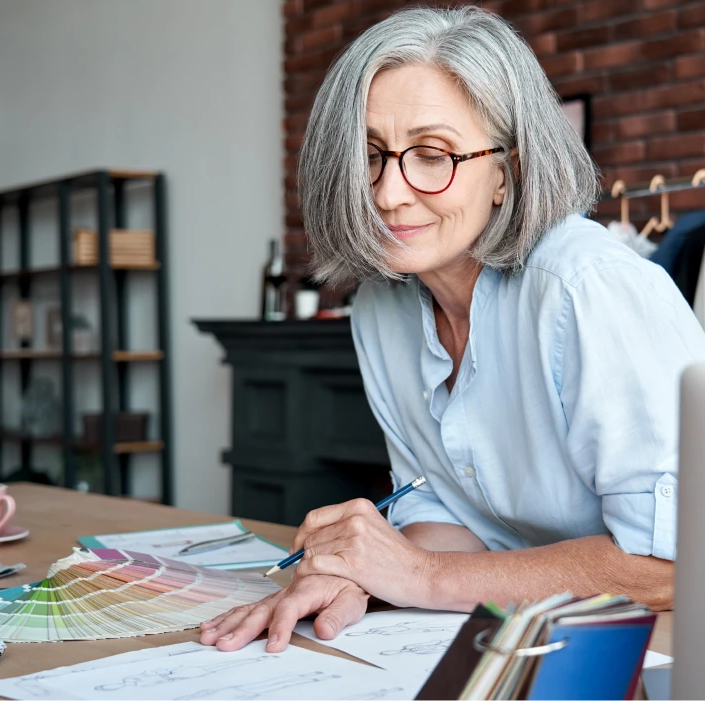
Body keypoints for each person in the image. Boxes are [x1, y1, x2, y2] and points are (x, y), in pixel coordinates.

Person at [200, 5, 705, 653]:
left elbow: (669, 565)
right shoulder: (381, 305)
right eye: (370, 155)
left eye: (432, 154)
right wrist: (361, 576)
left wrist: (419, 574)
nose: (387, 193)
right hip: (526, 636)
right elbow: (440, 514)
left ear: (506, 171)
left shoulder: (587, 289)